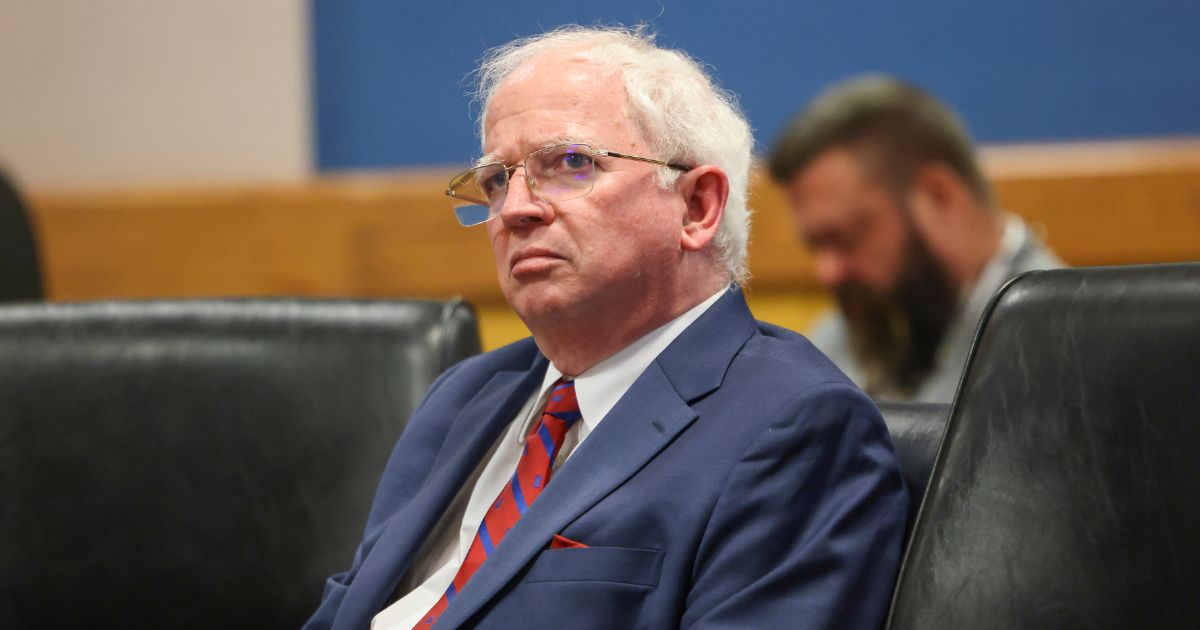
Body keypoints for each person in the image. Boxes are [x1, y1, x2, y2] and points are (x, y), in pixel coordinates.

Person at [305, 27, 906, 630]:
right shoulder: (463, 397)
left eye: (570, 163)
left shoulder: (797, 427)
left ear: (697, 207)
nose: (515, 209)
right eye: (496, 179)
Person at [768, 76, 1064, 403]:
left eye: (846, 238)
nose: (828, 272)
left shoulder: (1065, 344)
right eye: (817, 247)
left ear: (939, 196)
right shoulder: (840, 341)